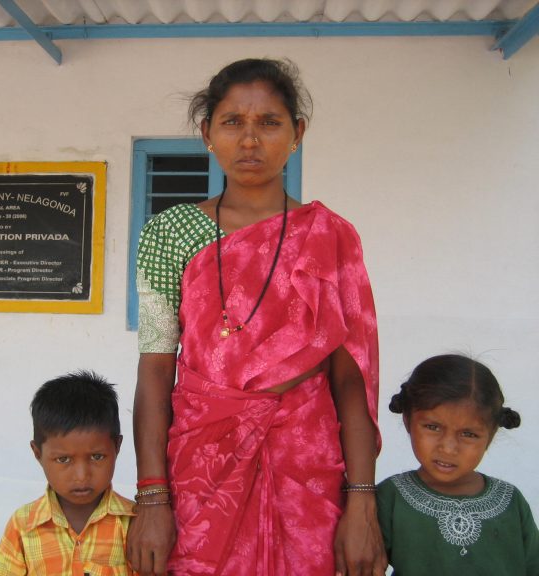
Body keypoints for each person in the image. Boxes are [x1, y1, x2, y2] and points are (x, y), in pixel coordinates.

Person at [128, 58, 385, 576]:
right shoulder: (170, 232)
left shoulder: (330, 236)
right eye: (232, 122)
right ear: (207, 133)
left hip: (307, 472)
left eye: (269, 122)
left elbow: (349, 378)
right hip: (203, 470)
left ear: (298, 133)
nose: (250, 140)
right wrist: (152, 496)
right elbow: (156, 369)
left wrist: (362, 499)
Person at [378, 354, 539, 575]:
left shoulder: (511, 501)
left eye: (468, 434)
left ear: (490, 435)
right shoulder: (391, 497)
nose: (448, 447)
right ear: (408, 420)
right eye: (433, 427)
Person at [0, 371, 136, 576]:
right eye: (63, 459)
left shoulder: (134, 524)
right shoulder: (23, 525)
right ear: (37, 453)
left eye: (97, 457)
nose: (81, 475)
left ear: (117, 446)